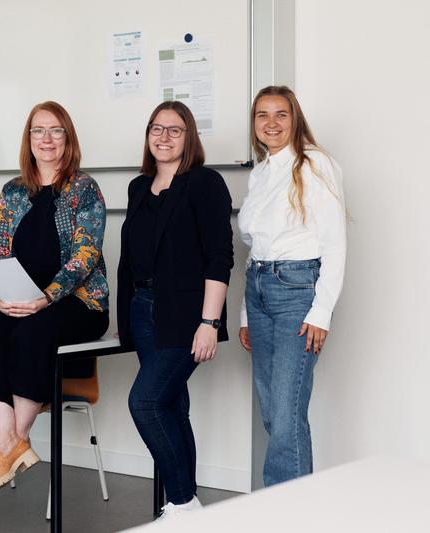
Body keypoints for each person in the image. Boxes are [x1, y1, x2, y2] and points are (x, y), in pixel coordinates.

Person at [0, 101, 109, 495]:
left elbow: (85, 256)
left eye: (56, 130)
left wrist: (43, 299)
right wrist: (6, 291)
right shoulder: (13, 192)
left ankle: (14, 440)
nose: (46, 139)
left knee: (32, 331)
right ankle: (9, 444)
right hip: (22, 298)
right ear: (28, 140)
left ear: (68, 138)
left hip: (79, 303)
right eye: (38, 131)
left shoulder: (84, 189)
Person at [117, 101, 233, 521]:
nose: (163, 137)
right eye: (156, 129)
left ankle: (184, 503)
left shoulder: (204, 183)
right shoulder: (137, 187)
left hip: (186, 315)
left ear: (189, 138)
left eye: (175, 130)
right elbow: (132, 258)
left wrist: (209, 322)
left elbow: (220, 256)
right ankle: (185, 506)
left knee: (145, 403)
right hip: (143, 310)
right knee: (170, 406)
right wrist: (124, 316)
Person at [238, 86, 346, 486]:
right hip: (259, 289)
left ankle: (289, 517)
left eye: (281, 114)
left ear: (295, 119)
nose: (271, 123)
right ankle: (291, 506)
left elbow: (335, 243)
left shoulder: (315, 164)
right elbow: (254, 247)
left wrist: (322, 311)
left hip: (297, 291)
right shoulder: (260, 172)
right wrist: (247, 311)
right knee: (272, 410)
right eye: (262, 115)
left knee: (286, 413)